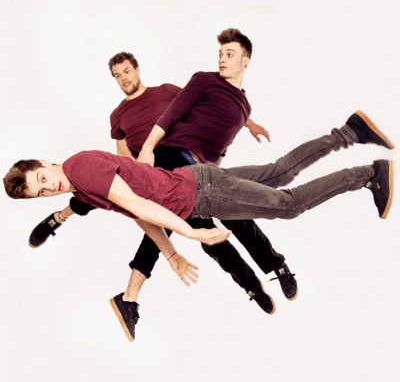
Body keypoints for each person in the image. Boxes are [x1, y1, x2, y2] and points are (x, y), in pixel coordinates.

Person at [3, 109, 395, 342]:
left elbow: (139, 203)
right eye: (41, 193)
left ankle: (367, 175)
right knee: (279, 173)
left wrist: (191, 232)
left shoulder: (81, 169)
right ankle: (350, 132)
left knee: (288, 205)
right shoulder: (82, 184)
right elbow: (138, 214)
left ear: (44, 163)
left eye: (42, 179)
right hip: (197, 181)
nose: (49, 187)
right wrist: (172, 253)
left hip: (201, 195)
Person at [28, 30, 299, 334]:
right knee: (195, 232)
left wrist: (250, 123)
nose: (123, 78)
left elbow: (210, 100)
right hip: (152, 171)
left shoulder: (167, 92)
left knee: (237, 216)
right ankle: (251, 286)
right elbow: (121, 158)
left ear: (137, 69)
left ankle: (276, 265)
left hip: (181, 158)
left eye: (127, 71)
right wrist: (132, 179)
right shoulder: (117, 116)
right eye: (117, 75)